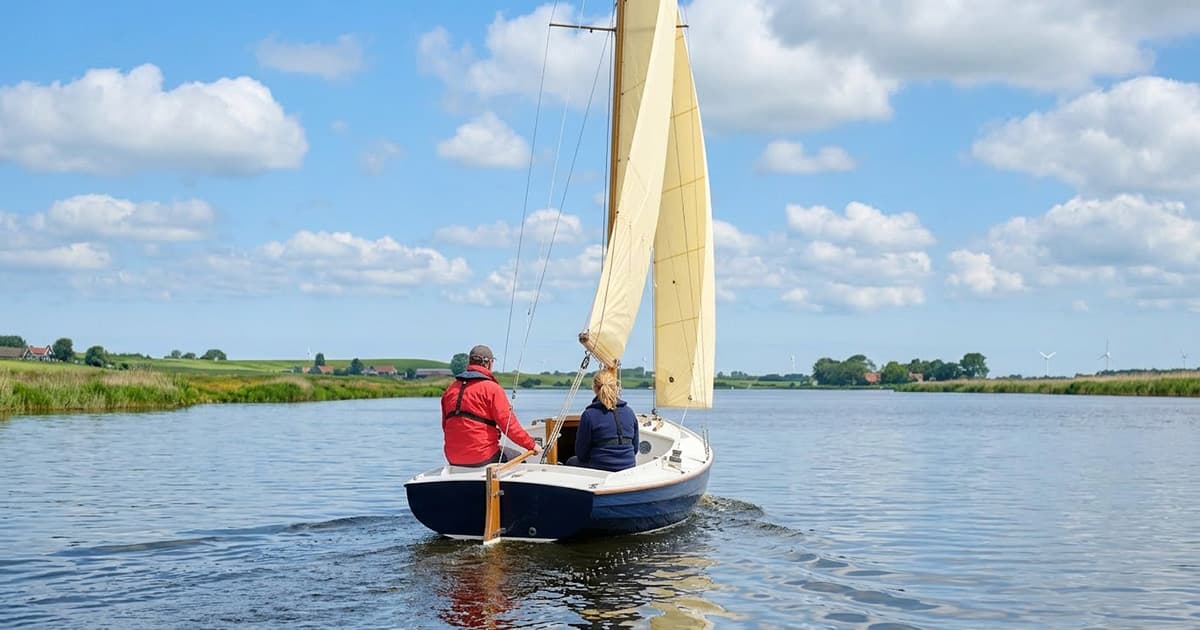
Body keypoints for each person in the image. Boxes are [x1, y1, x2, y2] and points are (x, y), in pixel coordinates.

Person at [441, 344, 540, 467]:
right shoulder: (492, 389)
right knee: (519, 461)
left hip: (452, 457)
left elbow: (446, 427)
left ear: (469, 362)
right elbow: (509, 426)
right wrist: (532, 445)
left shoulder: (450, 390)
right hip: (483, 456)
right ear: (488, 364)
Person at [568, 367, 639, 471]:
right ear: (616, 387)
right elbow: (635, 449)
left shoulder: (589, 415)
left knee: (571, 461)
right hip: (627, 468)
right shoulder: (629, 412)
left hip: (600, 468)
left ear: (594, 388)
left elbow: (582, 454)